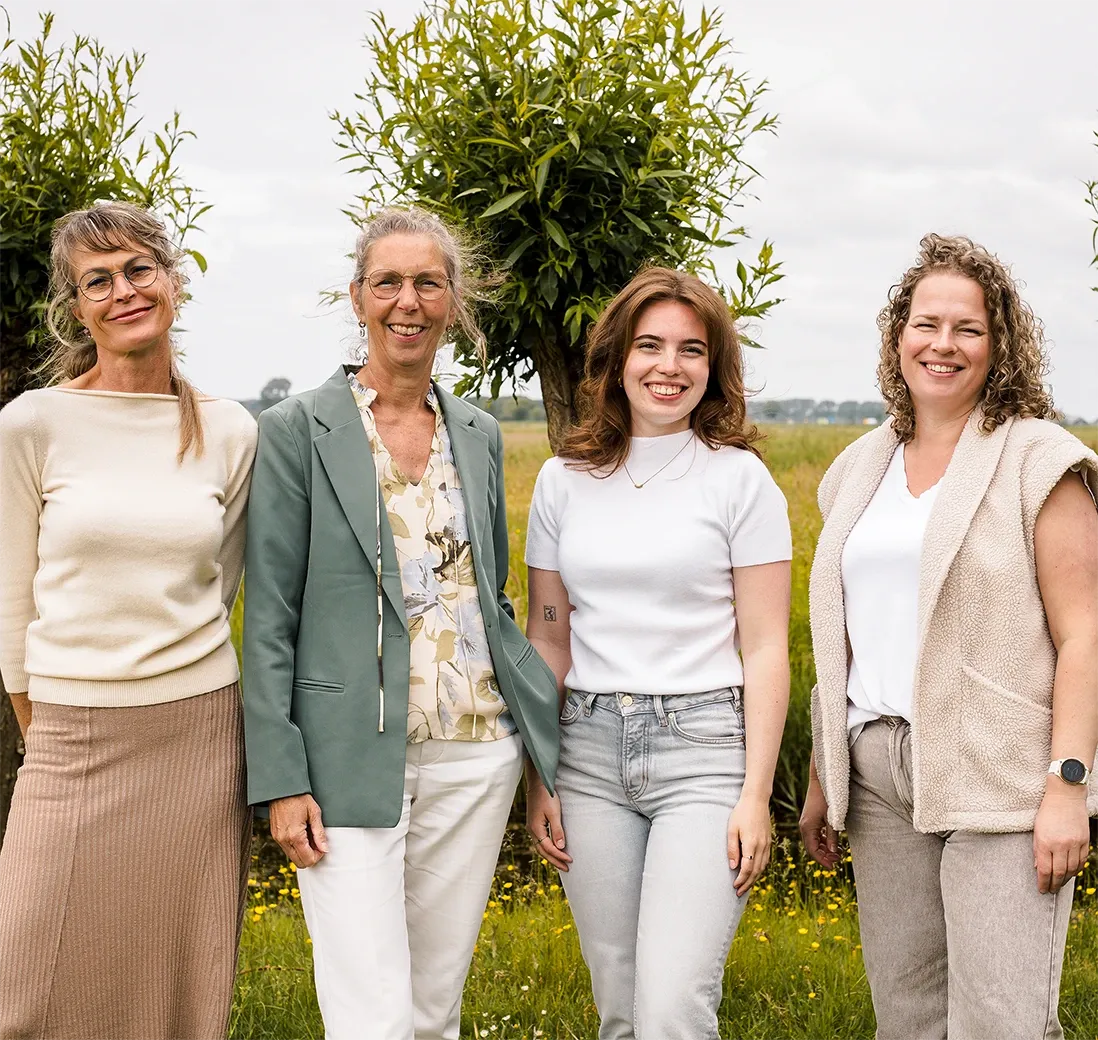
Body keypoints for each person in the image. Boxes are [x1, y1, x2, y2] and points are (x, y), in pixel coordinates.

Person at [242, 206, 560, 1040]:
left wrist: (536, 748)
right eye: (387, 282)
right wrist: (280, 778)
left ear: (453, 300)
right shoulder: (295, 430)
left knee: (431, 1009)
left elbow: (491, 594)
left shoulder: (479, 433)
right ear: (357, 297)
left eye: (427, 282)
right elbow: (268, 614)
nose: (407, 302)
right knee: (369, 1015)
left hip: (477, 750)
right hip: (342, 758)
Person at [799, 234, 1098, 1040]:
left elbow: (1086, 636)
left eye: (969, 328)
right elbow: (852, 630)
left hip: (999, 772)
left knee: (1001, 1022)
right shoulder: (858, 467)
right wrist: (827, 768)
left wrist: (1068, 786)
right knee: (908, 1018)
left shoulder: (1041, 461)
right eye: (926, 324)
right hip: (878, 772)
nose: (943, 344)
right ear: (898, 335)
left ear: (1000, 344)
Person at [0, 201, 257, 1040]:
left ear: (174, 282)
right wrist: (43, 724)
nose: (124, 292)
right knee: (24, 970)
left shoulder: (230, 429)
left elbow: (222, 585)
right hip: (68, 735)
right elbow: (12, 598)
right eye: (98, 281)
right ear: (77, 308)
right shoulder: (32, 423)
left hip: (196, 735)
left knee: (172, 974)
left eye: (139, 269)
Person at [523, 267, 792, 1040]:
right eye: (649, 345)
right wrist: (541, 776)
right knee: (620, 1007)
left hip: (704, 753)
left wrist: (755, 794)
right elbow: (549, 636)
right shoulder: (562, 481)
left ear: (714, 367)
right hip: (587, 753)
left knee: (672, 1007)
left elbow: (766, 647)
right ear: (616, 359)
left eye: (691, 350)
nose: (668, 366)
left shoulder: (740, 481)